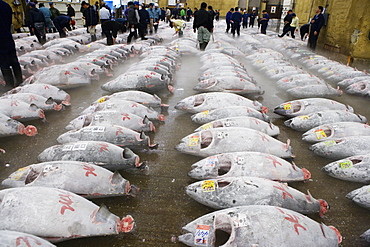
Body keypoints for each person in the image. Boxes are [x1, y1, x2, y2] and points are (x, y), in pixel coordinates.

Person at [0, 0, 22, 87]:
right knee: (13, 59)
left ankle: (10, 85)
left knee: (3, 62)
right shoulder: (6, 5)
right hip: (8, 36)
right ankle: (20, 81)